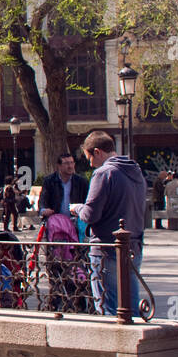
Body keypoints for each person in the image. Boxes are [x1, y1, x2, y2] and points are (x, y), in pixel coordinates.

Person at [74, 130, 146, 317]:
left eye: (89, 158)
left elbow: (90, 214)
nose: (89, 164)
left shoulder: (103, 173)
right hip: (134, 245)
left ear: (98, 152)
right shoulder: (135, 171)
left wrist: (77, 208)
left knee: (109, 306)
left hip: (107, 247)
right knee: (129, 307)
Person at [39, 152, 89, 222]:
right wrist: (43, 210)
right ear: (59, 166)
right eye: (66, 163)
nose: (70, 166)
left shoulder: (81, 182)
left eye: (72, 163)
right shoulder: (49, 181)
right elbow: (43, 199)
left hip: (76, 222)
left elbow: (87, 201)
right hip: (56, 222)